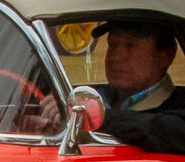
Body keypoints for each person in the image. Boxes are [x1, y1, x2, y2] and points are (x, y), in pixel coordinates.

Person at [36, 19, 185, 154]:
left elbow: (167, 130)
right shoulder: (96, 94)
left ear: (165, 56)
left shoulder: (178, 107)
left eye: (130, 46)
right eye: (112, 45)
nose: (115, 57)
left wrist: (95, 116)